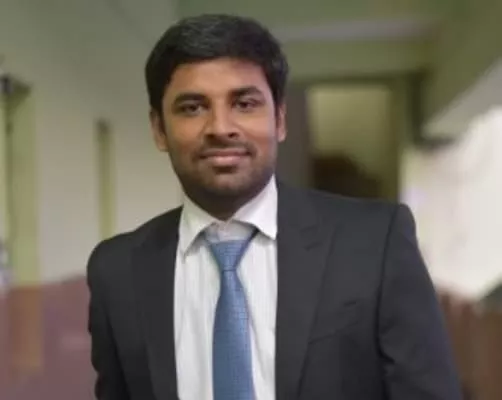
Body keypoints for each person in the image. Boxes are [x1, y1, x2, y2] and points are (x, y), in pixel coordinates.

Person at [87, 14, 462, 400]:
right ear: (159, 129)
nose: (220, 127)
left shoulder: (375, 243)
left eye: (244, 103)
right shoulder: (116, 272)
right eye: (193, 107)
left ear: (280, 119)